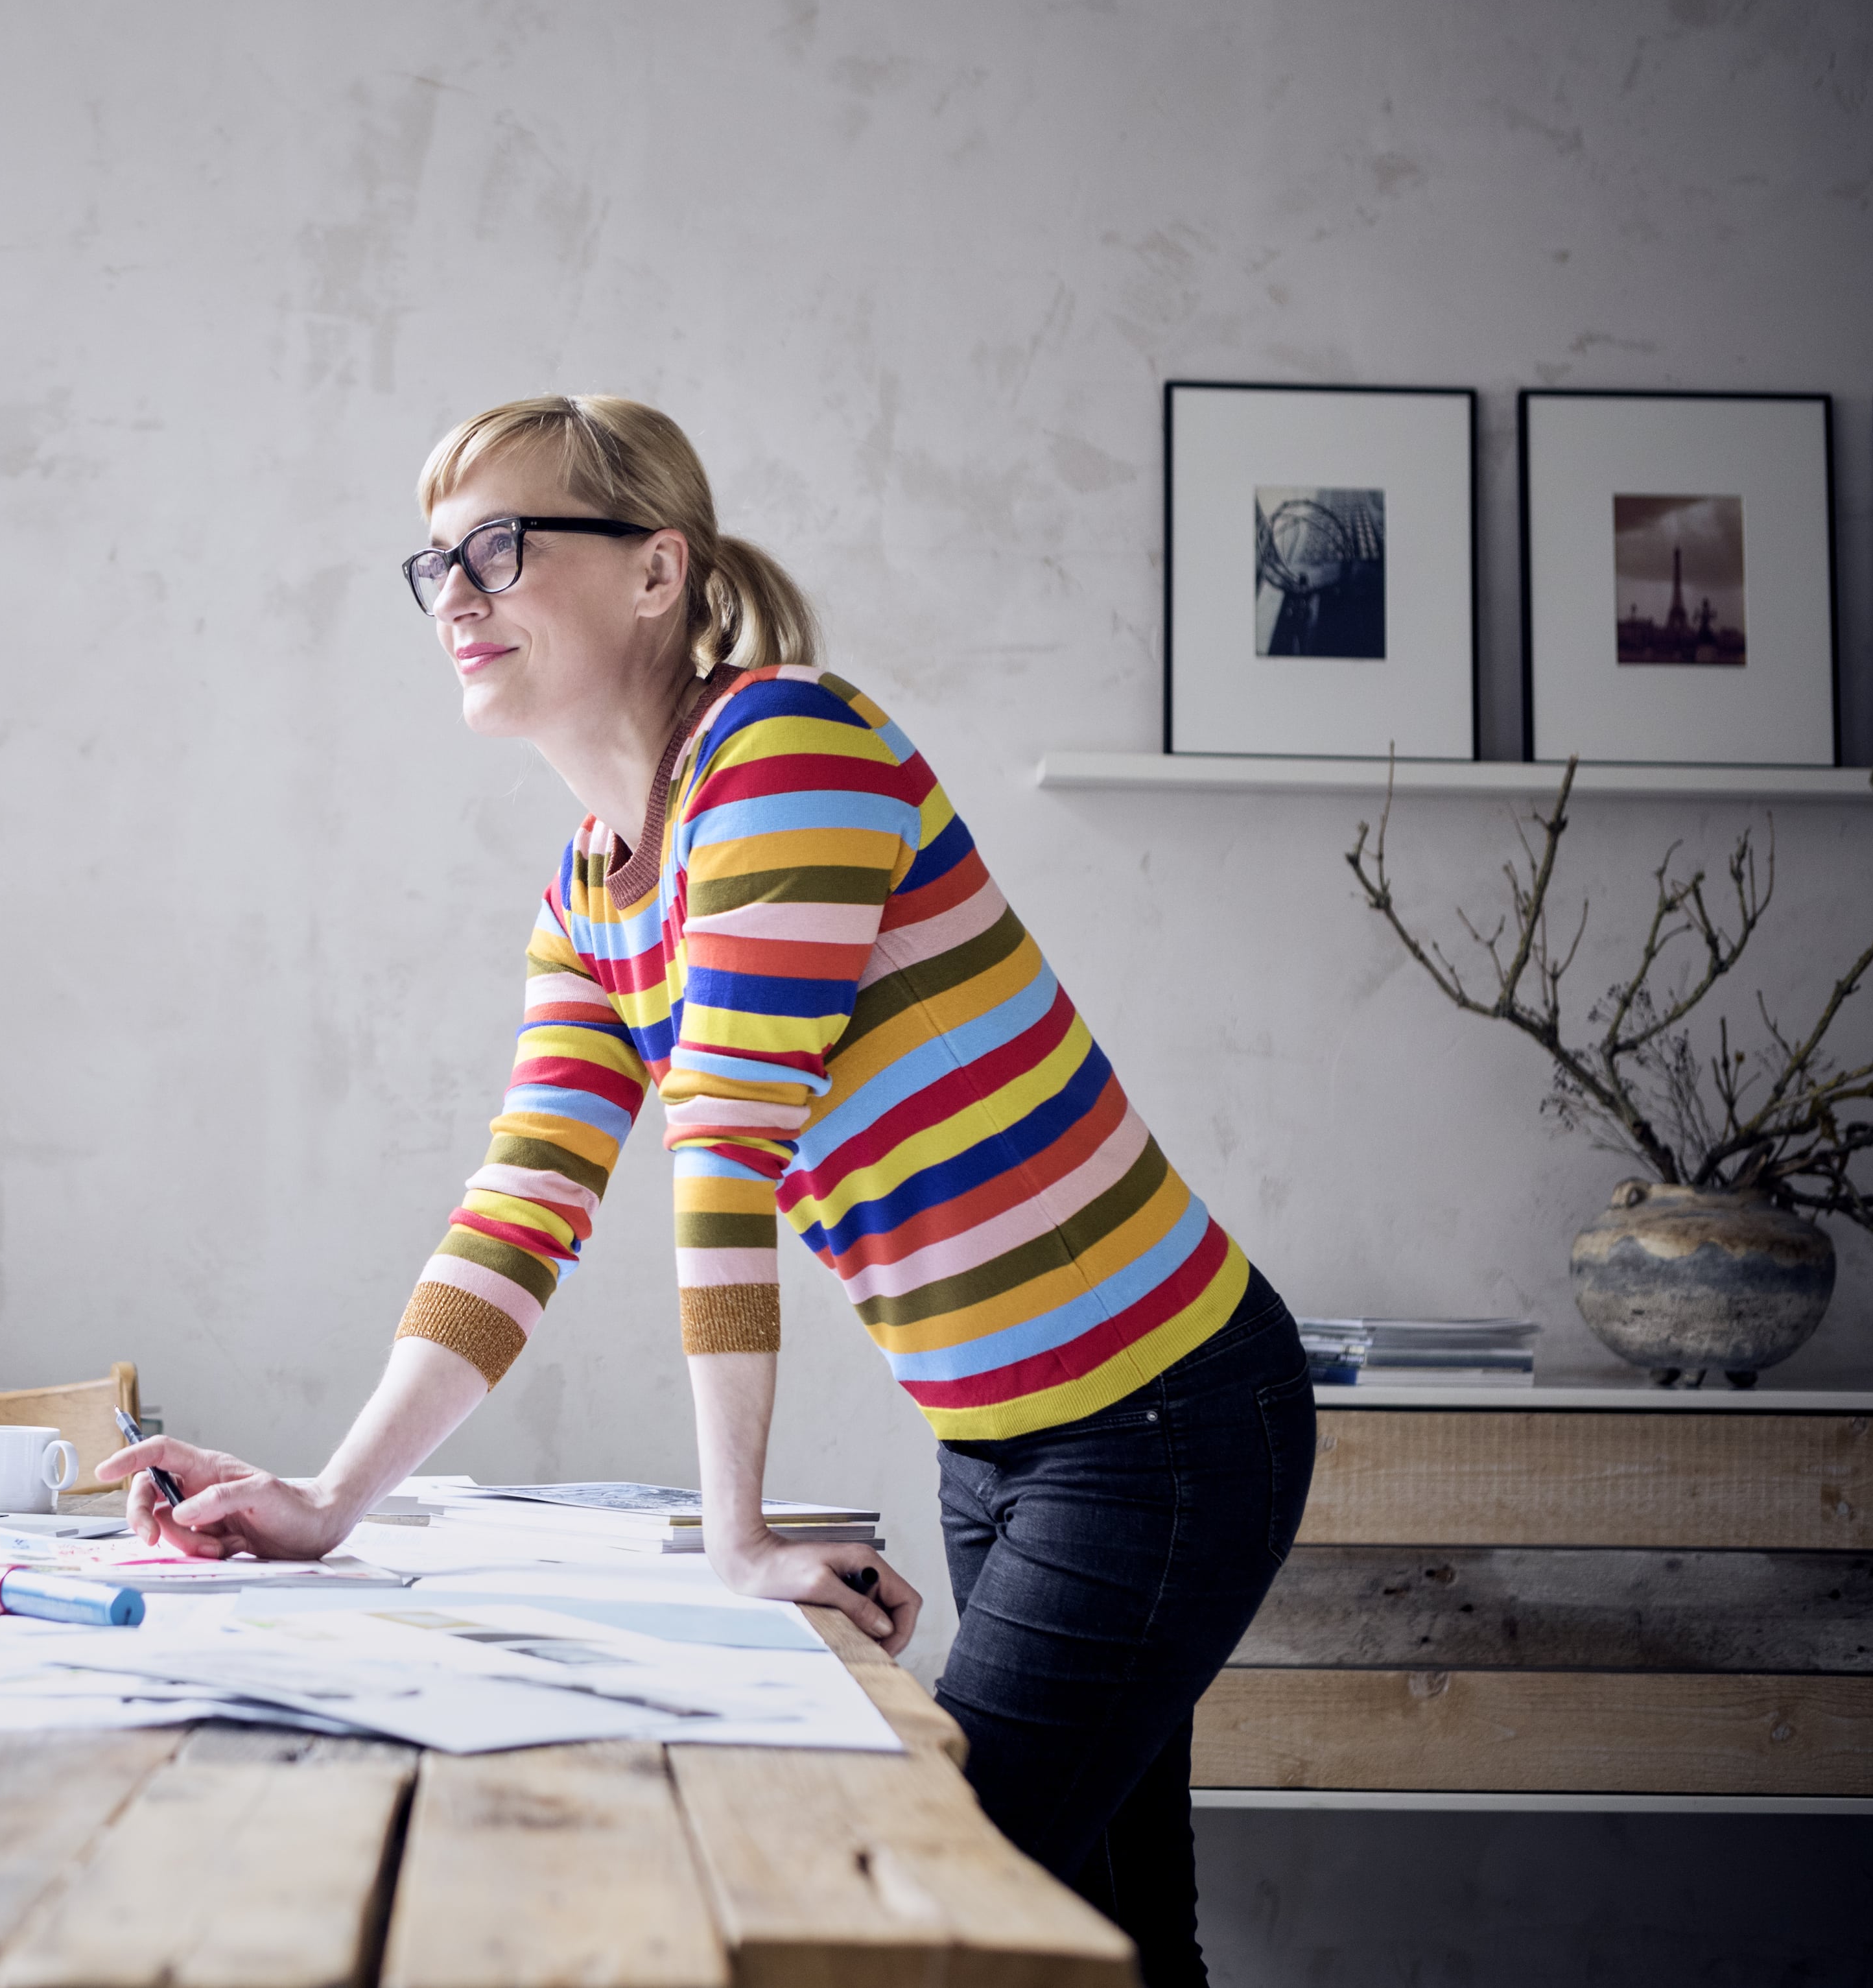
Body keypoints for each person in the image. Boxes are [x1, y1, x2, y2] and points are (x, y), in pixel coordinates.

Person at [97, 394, 1316, 1987]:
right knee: (1109, 1942)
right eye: (436, 563)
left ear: (657, 570)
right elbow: (522, 1207)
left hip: (1164, 1423)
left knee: (939, 1923)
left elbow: (724, 1141)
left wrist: (736, 1535)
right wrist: (329, 1501)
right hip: (1002, 1441)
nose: (455, 595)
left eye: (501, 545)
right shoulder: (592, 891)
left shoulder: (785, 749)